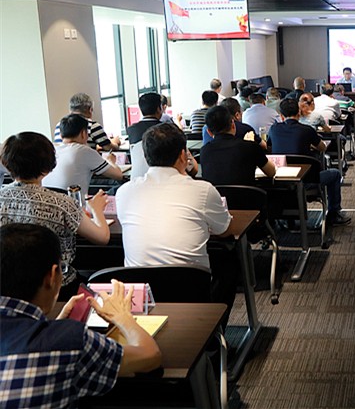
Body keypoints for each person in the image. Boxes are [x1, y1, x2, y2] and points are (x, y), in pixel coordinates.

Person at [0, 224, 161, 407]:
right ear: (52, 277)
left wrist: (52, 326)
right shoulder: (70, 342)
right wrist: (122, 316)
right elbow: (150, 356)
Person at [0, 132, 110, 298]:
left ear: (6, 164)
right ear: (48, 166)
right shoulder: (61, 203)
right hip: (56, 287)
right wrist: (97, 209)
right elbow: (102, 238)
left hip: (8, 287)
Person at [115, 123, 231, 269]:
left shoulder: (124, 192)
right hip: (190, 281)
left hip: (137, 281)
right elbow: (224, 230)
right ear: (183, 155)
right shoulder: (203, 190)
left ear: (145, 156)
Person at [268, 98, 351, 226]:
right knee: (335, 174)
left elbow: (269, 146)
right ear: (299, 113)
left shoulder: (273, 129)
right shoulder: (306, 130)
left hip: (281, 182)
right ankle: (334, 214)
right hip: (308, 181)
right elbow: (322, 147)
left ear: (281, 115)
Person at [43, 114, 124, 193]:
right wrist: (110, 161)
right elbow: (118, 175)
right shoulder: (83, 150)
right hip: (74, 201)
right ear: (83, 133)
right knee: (121, 185)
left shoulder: (52, 148)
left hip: (49, 198)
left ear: (60, 135)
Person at [200, 105, 275, 186]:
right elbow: (271, 172)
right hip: (247, 194)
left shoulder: (204, 151)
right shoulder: (250, 147)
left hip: (216, 194)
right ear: (233, 124)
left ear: (209, 132)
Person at [53, 92, 121, 151]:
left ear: (70, 110)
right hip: (86, 161)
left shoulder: (59, 125)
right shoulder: (92, 126)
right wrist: (115, 142)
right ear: (90, 110)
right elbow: (108, 148)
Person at [126, 92, 163, 179]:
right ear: (159, 109)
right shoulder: (167, 129)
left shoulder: (131, 130)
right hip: (160, 178)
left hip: (136, 178)